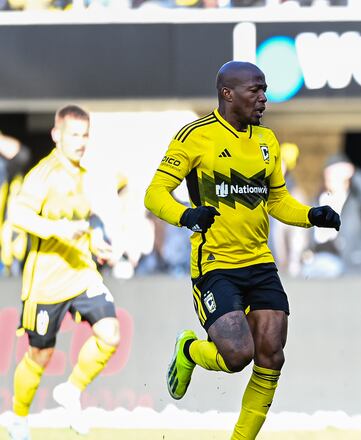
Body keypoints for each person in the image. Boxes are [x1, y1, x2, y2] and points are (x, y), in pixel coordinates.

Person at [143, 61, 341, 439]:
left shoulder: (267, 141)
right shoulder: (194, 137)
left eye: (265, 89)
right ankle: (189, 352)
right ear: (227, 93)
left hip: (260, 263)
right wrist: (187, 216)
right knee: (237, 355)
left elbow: (277, 200)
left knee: (272, 354)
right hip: (215, 265)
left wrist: (311, 215)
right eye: (256, 90)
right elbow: (154, 194)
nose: (264, 98)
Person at [6, 105, 120, 439]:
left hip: (82, 272)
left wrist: (98, 240)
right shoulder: (44, 175)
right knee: (39, 356)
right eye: (74, 135)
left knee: (110, 334)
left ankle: (71, 391)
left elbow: (88, 219)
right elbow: (19, 216)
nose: (80, 142)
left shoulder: (84, 174)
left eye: (85, 135)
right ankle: (19, 418)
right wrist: (57, 230)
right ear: (56, 135)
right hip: (45, 282)